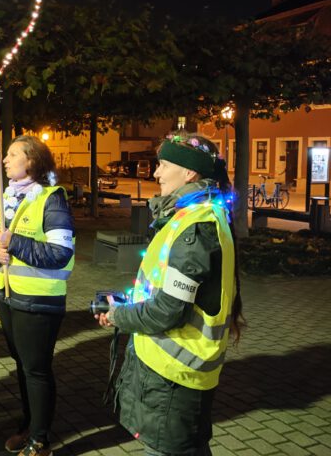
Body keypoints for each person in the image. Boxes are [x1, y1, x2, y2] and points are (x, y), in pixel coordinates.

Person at [95, 132, 244, 456]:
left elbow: (167, 311)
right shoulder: (196, 216)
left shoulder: (193, 227)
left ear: (189, 173)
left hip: (173, 378)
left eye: (163, 165)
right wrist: (128, 305)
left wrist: (120, 315)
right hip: (177, 377)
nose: (156, 173)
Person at [0, 135, 74, 456]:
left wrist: (15, 244)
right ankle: (29, 424)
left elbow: (61, 252)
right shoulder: (6, 196)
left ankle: (41, 439)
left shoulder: (52, 198)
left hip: (38, 300)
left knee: (36, 369)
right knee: (21, 364)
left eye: (12, 155)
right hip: (6, 296)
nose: (4, 160)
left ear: (31, 161)